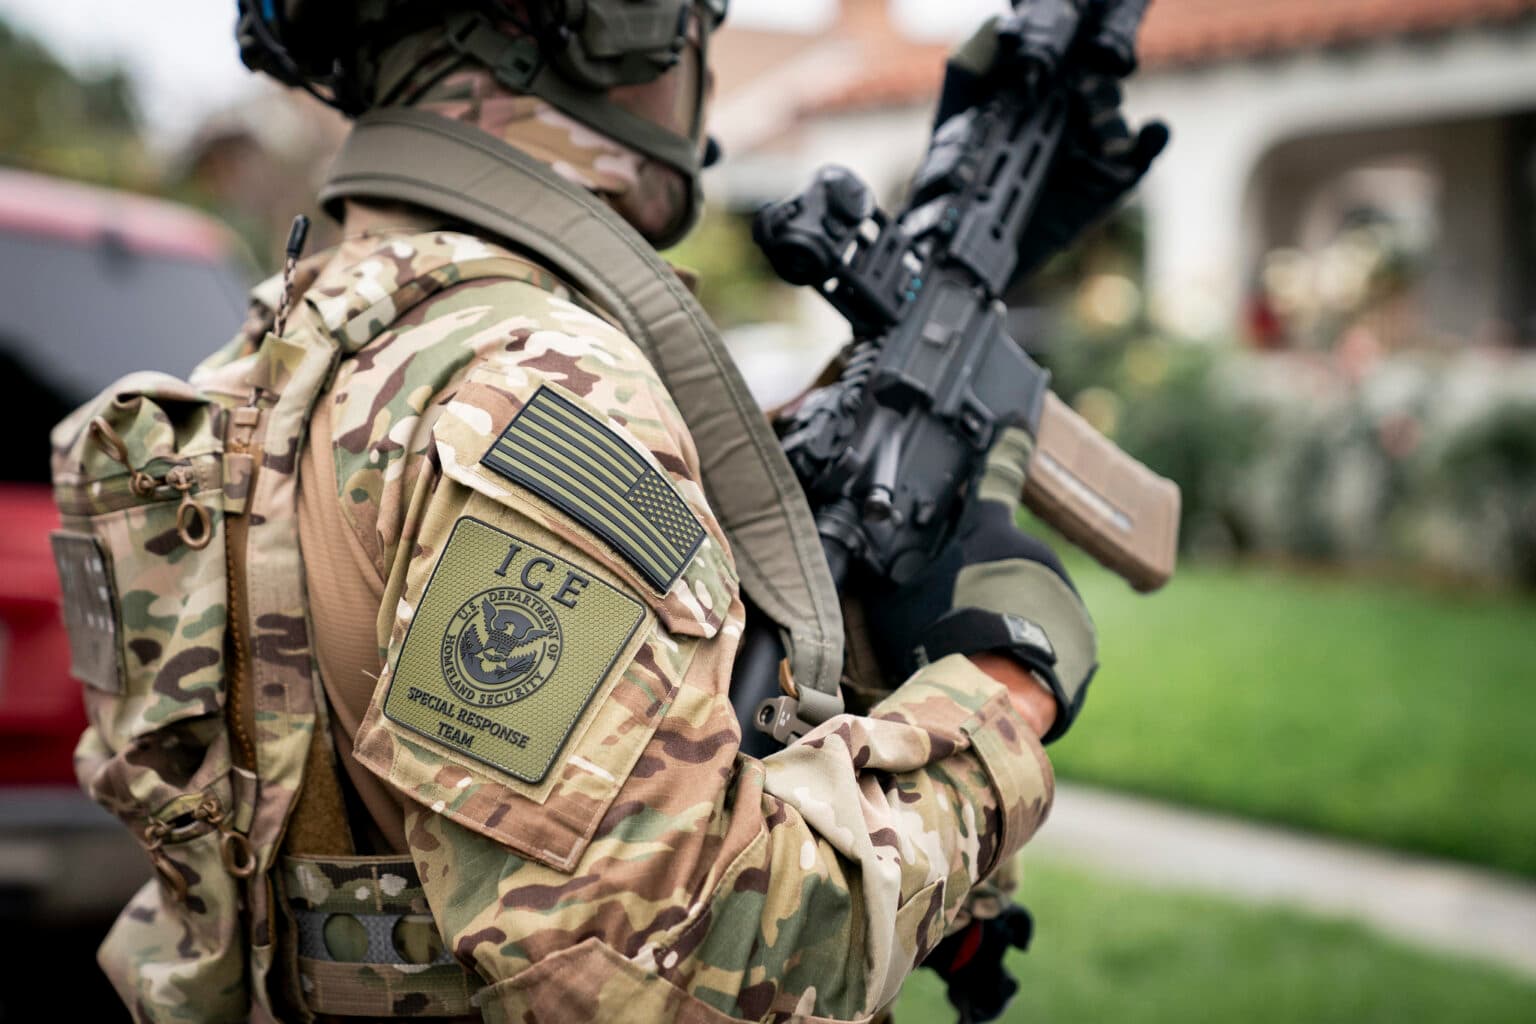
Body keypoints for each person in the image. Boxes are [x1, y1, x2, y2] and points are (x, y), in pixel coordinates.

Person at [54, 2, 1159, 1020]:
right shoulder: (540, 380)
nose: (698, 62)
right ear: (611, 29)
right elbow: (677, 963)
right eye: (692, 16)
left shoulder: (284, 354)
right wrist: (1002, 705)